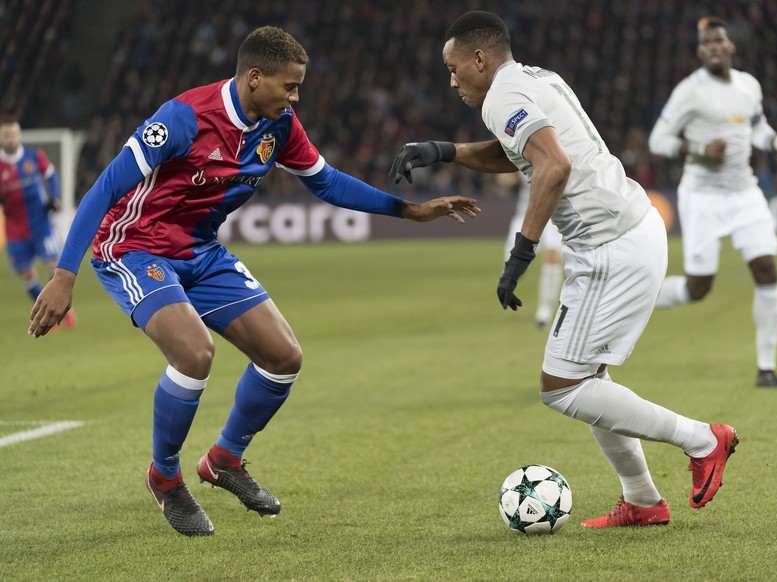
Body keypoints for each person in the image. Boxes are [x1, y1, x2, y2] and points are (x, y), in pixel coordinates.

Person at [28, 26, 480, 537]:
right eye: (289, 87)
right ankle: (165, 478)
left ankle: (224, 460)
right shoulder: (184, 118)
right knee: (195, 355)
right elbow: (106, 186)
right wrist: (64, 276)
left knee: (284, 357)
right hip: (135, 248)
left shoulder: (279, 125)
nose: (295, 97)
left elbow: (326, 181)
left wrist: (410, 211)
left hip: (201, 250)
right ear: (254, 77)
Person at [390, 10, 738, 528]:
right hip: (628, 230)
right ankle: (643, 501)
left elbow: (553, 165)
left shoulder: (503, 96)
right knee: (588, 378)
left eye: (455, 66)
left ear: (480, 58)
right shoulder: (535, 78)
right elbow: (524, 153)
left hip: (609, 245)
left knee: (562, 387)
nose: (452, 79)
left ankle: (704, 440)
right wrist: (446, 152)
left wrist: (521, 253)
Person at [648, 17, 777, 389]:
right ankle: (640, 294)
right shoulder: (689, 91)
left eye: (719, 41)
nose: (713, 47)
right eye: (706, 43)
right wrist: (698, 148)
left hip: (745, 193)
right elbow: (657, 140)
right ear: (701, 52)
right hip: (702, 196)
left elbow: (757, 127)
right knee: (699, 288)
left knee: (766, 268)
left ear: (730, 47)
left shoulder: (749, 85)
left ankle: (766, 369)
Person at [0, 115, 76, 329]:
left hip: (40, 224)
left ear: (19, 134)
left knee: (54, 267)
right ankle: (46, 316)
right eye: (6, 135)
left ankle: (60, 310)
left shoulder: (34, 157)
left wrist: (55, 197)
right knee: (27, 275)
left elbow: (51, 175)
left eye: (13, 133)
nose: (11, 138)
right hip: (15, 230)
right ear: (1, 137)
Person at [503, 172, 563, 329]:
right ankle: (507, 285)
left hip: (552, 216)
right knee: (510, 264)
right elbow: (505, 176)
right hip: (526, 215)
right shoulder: (523, 150)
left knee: (552, 255)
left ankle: (545, 310)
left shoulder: (562, 153)